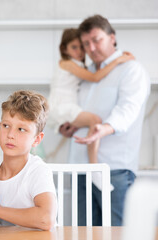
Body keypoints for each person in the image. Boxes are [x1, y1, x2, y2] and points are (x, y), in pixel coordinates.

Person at [59, 15, 150, 226]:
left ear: (112, 38)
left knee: (117, 233)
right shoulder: (85, 74)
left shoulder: (131, 70)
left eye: (96, 39)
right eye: (85, 43)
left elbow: (128, 109)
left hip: (114, 169)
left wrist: (105, 128)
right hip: (79, 169)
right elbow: (78, 110)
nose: (91, 48)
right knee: (82, 234)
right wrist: (69, 126)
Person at [0, 90, 57, 230]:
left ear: (37, 139)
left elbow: (46, 219)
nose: (10, 135)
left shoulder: (37, 170)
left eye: (21, 129)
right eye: (6, 126)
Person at [49, 28, 134, 165]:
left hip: (63, 106)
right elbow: (95, 77)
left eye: (82, 47)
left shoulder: (78, 65)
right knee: (95, 120)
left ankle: (93, 167)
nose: (80, 52)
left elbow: (94, 72)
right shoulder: (67, 63)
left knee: (93, 121)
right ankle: (94, 166)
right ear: (64, 49)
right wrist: (117, 60)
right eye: (74, 47)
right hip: (62, 105)